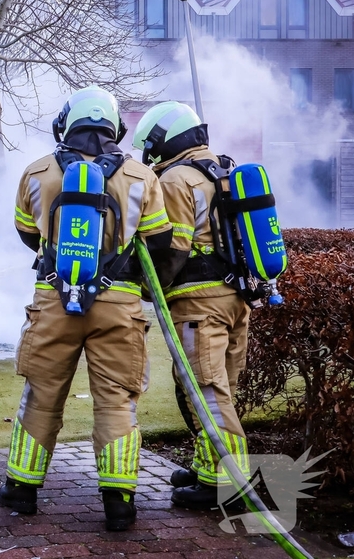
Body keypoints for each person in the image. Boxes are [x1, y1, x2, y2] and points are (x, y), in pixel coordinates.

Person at [0, 85, 175, 531]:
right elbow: (158, 242)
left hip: (54, 297)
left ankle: (21, 490)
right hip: (119, 303)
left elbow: (26, 233)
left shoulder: (38, 171)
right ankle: (119, 503)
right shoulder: (141, 176)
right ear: (115, 126)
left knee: (41, 394)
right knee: (116, 400)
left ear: (67, 122)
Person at [131, 101, 252, 511]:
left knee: (207, 392)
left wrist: (148, 288)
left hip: (199, 305)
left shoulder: (177, 178)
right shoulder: (224, 169)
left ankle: (229, 488)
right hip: (237, 299)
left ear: (165, 140)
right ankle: (209, 469)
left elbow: (173, 250)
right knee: (222, 389)